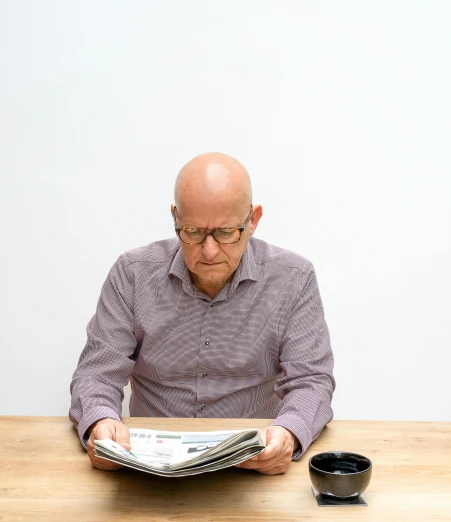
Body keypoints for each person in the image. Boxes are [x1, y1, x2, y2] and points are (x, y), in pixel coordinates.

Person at [69, 152, 335, 475]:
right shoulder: (132, 275)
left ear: (253, 220)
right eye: (193, 231)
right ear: (175, 218)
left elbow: (311, 382)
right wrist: (101, 420)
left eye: (225, 233)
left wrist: (289, 433)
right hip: (149, 471)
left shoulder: (294, 279)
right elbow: (96, 374)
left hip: (251, 467)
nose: (209, 251)